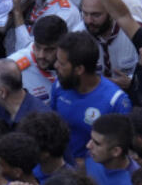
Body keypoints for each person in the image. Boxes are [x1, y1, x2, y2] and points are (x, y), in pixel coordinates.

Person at [51, 31, 132, 162]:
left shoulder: (116, 102)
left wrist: (89, 166)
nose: (55, 66)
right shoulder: (59, 86)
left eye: (62, 63)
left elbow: (120, 152)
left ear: (79, 69)